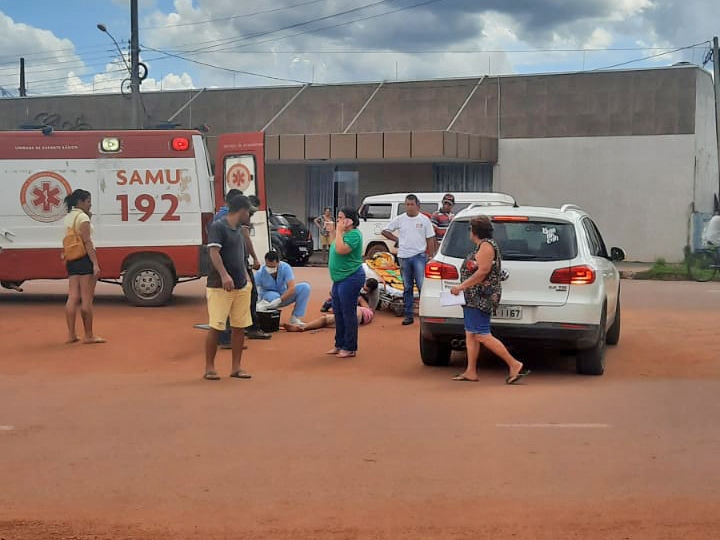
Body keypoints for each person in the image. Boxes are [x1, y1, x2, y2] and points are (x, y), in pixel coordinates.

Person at [449, 215, 530, 385]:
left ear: (475, 231)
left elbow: (482, 271)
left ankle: (514, 364)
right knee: (471, 333)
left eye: (470, 229)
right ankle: (471, 371)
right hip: (473, 296)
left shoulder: (486, 247)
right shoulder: (482, 246)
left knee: (482, 334)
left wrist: (462, 286)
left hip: (480, 296)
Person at [203, 194, 254, 381]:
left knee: (239, 327)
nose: (249, 215)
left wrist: (246, 276)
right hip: (219, 286)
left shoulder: (239, 229)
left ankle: (236, 367)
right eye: (248, 211)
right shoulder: (219, 227)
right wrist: (224, 275)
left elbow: (240, 255)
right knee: (216, 326)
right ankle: (210, 367)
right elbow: (213, 252)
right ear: (241, 210)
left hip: (241, 285)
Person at [213, 191, 271, 348]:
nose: (250, 214)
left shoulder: (219, 216)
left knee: (227, 302)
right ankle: (241, 332)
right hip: (235, 265)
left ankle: (229, 335)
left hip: (232, 265)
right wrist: (254, 258)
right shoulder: (233, 219)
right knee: (247, 296)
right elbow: (244, 238)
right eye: (249, 211)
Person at [381, 194, 436, 325]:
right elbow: (385, 231)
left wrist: (432, 255)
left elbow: (430, 238)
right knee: (407, 287)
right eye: (407, 204)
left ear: (418, 205)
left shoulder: (424, 220)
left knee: (422, 286)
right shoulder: (400, 219)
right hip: (404, 257)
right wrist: (397, 240)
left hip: (419, 256)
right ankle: (408, 315)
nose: (409, 207)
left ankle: (425, 315)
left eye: (412, 204)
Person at [63, 189, 105, 345]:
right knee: (86, 300)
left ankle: (71, 334)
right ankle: (89, 335)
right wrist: (95, 263)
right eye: (88, 201)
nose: (90, 204)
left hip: (71, 260)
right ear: (80, 202)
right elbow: (87, 242)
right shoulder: (82, 218)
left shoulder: (69, 217)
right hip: (84, 259)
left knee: (72, 296)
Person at [327, 207, 365, 358]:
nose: (338, 220)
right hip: (339, 278)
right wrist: (333, 232)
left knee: (348, 312)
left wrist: (338, 231)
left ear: (349, 220)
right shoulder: (343, 234)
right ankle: (339, 343)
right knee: (338, 311)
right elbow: (334, 246)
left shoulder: (354, 234)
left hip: (351, 277)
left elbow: (341, 250)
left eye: (341, 218)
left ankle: (350, 347)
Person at [283, 279, 379, 332]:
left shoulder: (366, 303)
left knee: (331, 317)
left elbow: (367, 305)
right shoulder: (359, 287)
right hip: (358, 316)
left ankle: (303, 326)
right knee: (326, 319)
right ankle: (304, 327)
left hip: (359, 313)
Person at [254, 251, 311, 326]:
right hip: (268, 298)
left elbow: (291, 288)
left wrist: (280, 299)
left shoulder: (285, 267)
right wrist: (256, 304)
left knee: (305, 287)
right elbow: (253, 289)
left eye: (273, 267)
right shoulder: (260, 272)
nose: (270, 269)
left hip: (284, 295)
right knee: (274, 295)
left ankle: (295, 317)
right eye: (268, 266)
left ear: (278, 262)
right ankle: (266, 315)